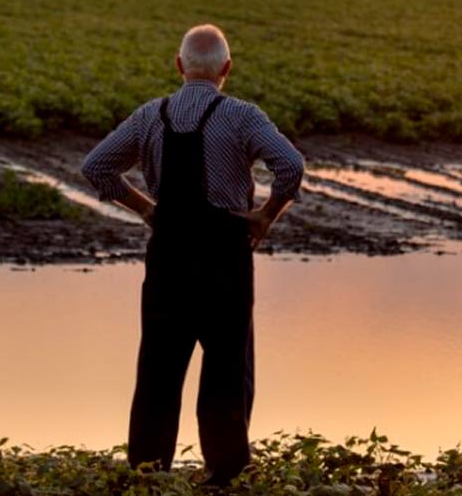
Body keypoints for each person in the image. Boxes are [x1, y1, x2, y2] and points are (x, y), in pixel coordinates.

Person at [80, 24, 304, 486]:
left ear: (180, 66)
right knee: (226, 367)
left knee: (159, 369)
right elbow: (291, 165)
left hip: (169, 256)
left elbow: (96, 166)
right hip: (226, 256)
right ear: (227, 68)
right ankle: (225, 475)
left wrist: (145, 209)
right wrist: (266, 216)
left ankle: (148, 474)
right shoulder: (242, 116)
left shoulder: (150, 115)